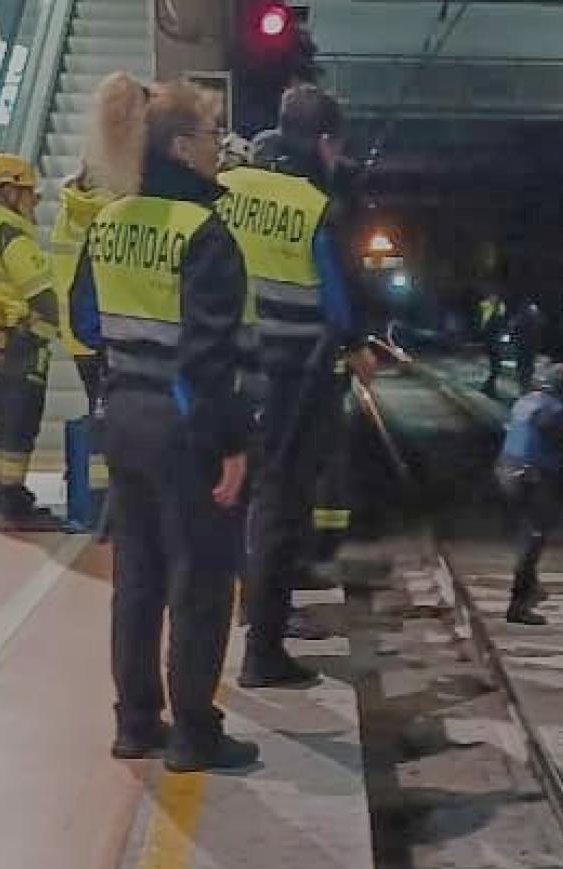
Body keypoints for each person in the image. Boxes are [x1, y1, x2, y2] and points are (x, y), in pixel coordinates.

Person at [81, 74, 257, 771]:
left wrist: (118, 384)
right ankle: (193, 732)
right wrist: (232, 447)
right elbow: (212, 359)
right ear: (184, 146)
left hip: (123, 415)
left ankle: (134, 722)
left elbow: (83, 321)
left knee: (138, 574)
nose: (221, 148)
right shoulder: (205, 232)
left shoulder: (110, 220)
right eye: (214, 137)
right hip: (185, 424)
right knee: (200, 579)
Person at [220, 83, 373, 689]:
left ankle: (240, 608)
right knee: (281, 510)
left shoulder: (226, 190)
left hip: (227, 374)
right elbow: (338, 302)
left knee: (232, 500)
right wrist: (358, 346)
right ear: (327, 141)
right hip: (292, 379)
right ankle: (264, 652)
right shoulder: (315, 208)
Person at [0, 153, 65, 532]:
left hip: (1, 340)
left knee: (8, 421)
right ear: (9, 192)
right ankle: (11, 502)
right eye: (29, 194)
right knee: (20, 423)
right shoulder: (12, 237)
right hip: (24, 342)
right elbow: (42, 295)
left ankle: (5, 494)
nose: (34, 203)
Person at [52, 159, 112, 529]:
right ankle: (108, 506)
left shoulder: (67, 209)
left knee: (97, 414)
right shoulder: (112, 212)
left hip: (75, 331)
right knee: (110, 421)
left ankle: (93, 504)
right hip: (105, 332)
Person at [497, 363, 563, 626]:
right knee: (534, 537)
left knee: (529, 531)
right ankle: (518, 602)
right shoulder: (553, 409)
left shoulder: (524, 402)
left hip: (507, 472)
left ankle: (531, 586)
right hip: (529, 478)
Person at [478, 292, 506, 395]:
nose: (495, 299)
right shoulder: (488, 307)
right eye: (493, 297)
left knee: (496, 367)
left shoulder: (499, 308)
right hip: (491, 341)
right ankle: (488, 387)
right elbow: (486, 323)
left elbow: (500, 321)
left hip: (494, 340)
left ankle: (489, 387)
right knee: (496, 367)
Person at [510, 300, 541, 395]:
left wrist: (514, 341)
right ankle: (525, 387)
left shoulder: (519, 318)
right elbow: (538, 331)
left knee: (522, 367)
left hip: (521, 346)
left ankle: (523, 388)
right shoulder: (534, 317)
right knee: (528, 367)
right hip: (530, 346)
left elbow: (513, 330)